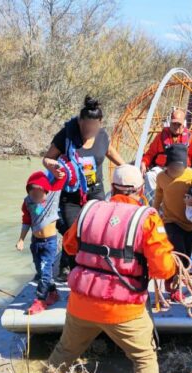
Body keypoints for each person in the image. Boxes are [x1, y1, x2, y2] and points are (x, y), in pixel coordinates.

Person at [34, 165, 177, 373]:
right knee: (144, 358)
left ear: (112, 187)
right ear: (139, 191)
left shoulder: (89, 209)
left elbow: (69, 246)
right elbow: (163, 268)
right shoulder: (146, 217)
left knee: (65, 351)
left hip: (82, 302)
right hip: (123, 310)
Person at [43, 95, 126, 277]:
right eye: (86, 125)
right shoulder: (66, 135)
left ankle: (93, 271)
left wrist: (128, 169)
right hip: (70, 195)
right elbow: (47, 158)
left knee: (96, 232)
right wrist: (53, 167)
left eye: (94, 126)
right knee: (74, 232)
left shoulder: (102, 136)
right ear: (80, 121)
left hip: (95, 191)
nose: (89, 129)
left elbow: (111, 152)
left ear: (100, 123)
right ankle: (75, 274)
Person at [16, 170, 73, 314]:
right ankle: (53, 293)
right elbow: (27, 220)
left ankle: (40, 300)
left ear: (46, 191)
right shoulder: (27, 202)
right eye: (32, 192)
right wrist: (21, 239)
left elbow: (63, 176)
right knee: (41, 271)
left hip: (50, 242)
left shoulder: (53, 196)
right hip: (36, 242)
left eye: (39, 192)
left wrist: (55, 168)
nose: (35, 195)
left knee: (46, 270)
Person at [152, 145, 192, 301]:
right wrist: (153, 212)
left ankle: (170, 279)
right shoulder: (161, 178)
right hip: (170, 221)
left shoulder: (190, 175)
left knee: (186, 257)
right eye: (174, 167)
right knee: (179, 256)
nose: (177, 170)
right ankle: (175, 289)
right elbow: (158, 197)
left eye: (180, 167)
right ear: (167, 165)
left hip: (189, 224)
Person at [141, 108, 192, 196]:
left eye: (179, 124)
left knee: (191, 180)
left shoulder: (191, 138)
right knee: (150, 176)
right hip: (163, 169)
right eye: (174, 123)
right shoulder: (160, 136)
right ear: (170, 123)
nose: (176, 126)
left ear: (184, 124)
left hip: (183, 170)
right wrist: (144, 162)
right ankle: (156, 203)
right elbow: (150, 154)